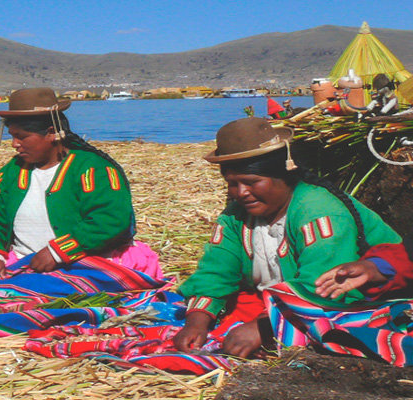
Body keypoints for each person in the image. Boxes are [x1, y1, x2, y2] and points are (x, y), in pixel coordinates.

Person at [173, 117, 406, 358]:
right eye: (232, 184)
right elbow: (216, 271)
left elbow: (326, 285)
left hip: (342, 303)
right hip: (275, 301)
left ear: (284, 175)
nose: (241, 193)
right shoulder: (235, 217)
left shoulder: (319, 211)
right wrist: (196, 323)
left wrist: (264, 327)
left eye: (252, 182)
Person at [0, 88, 159, 288]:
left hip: (83, 262)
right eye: (12, 136)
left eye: (22, 137)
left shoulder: (92, 169)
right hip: (20, 260)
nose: (14, 144)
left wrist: (58, 251)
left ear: (52, 134)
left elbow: (110, 219)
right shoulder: (12, 171)